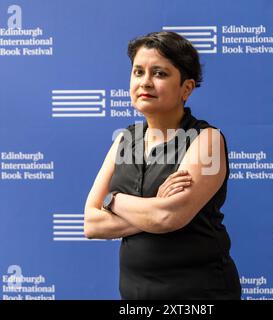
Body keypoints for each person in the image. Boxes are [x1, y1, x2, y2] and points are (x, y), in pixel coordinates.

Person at [84, 31, 241, 300]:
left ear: (186, 88)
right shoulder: (124, 139)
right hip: (135, 294)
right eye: (138, 72)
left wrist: (113, 200)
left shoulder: (206, 139)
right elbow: (91, 223)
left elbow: (168, 217)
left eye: (159, 73)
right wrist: (154, 207)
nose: (145, 82)